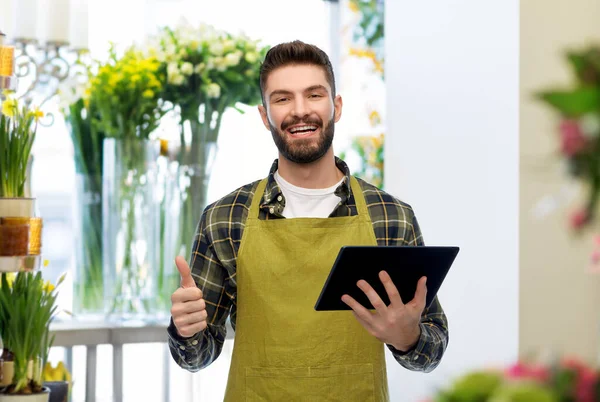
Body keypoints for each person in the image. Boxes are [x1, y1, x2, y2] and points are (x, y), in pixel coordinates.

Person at [167, 40, 448, 401]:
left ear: (337, 106)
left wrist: (408, 338)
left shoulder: (390, 216)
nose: (300, 111)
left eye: (314, 95)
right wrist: (185, 330)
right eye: (282, 99)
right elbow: (196, 358)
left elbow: (432, 350)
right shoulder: (225, 218)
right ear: (265, 115)